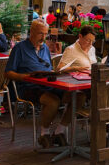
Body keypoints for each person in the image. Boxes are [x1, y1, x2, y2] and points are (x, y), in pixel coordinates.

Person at [5, 20, 72, 148]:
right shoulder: (19, 48)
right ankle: (44, 134)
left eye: (45, 34)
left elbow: (48, 68)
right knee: (53, 101)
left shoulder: (45, 48)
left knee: (77, 97)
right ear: (31, 32)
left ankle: (60, 131)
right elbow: (8, 73)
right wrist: (26, 76)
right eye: (40, 33)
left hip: (48, 84)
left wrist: (55, 73)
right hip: (28, 87)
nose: (43, 37)